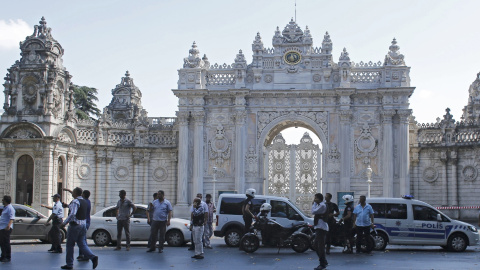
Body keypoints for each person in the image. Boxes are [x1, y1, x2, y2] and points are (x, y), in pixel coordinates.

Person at [60, 187, 98, 269]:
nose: (72, 193)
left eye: (73, 192)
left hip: (75, 225)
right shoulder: (84, 201)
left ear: (76, 193)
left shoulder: (75, 201)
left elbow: (73, 213)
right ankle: (93, 257)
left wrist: (64, 223)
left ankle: (69, 264)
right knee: (82, 244)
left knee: (70, 245)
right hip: (83, 225)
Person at [311, 193, 328, 270]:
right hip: (319, 226)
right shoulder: (320, 205)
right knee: (315, 245)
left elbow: (313, 211)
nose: (314, 199)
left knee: (320, 246)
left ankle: (323, 263)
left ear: (319, 199)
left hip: (321, 227)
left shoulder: (322, 205)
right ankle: (323, 261)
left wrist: (314, 203)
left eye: (315, 198)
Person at [77, 190, 91, 261]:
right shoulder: (88, 201)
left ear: (84, 195)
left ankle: (86, 255)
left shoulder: (84, 202)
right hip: (86, 222)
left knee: (83, 240)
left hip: (84, 222)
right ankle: (81, 254)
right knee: (81, 239)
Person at [0, 195, 14, 263]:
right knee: (2, 242)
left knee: (6, 243)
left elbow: (12, 218)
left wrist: (8, 226)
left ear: (5, 200)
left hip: (6, 228)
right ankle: (3, 256)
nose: (2, 201)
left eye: (3, 200)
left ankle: (7, 257)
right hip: (2, 227)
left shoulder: (10, 208)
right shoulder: (5, 208)